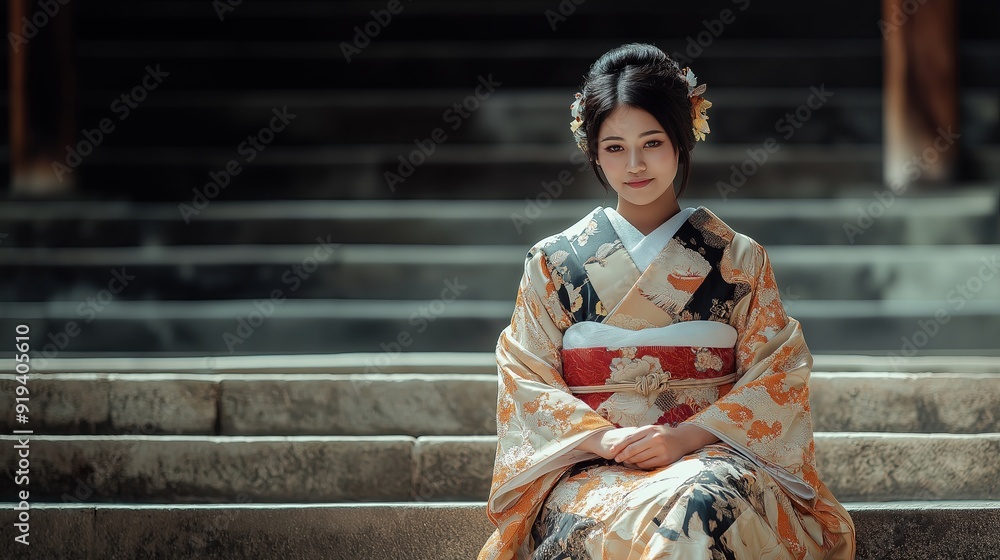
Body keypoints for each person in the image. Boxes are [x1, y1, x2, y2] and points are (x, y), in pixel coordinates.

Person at [479, 43, 856, 559]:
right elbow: (525, 376)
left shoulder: (738, 260)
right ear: (592, 152)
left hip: (714, 459)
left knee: (698, 503)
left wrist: (684, 439)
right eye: (614, 147)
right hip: (590, 468)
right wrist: (603, 442)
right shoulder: (553, 263)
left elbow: (778, 376)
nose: (634, 164)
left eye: (651, 142)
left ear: (683, 140)